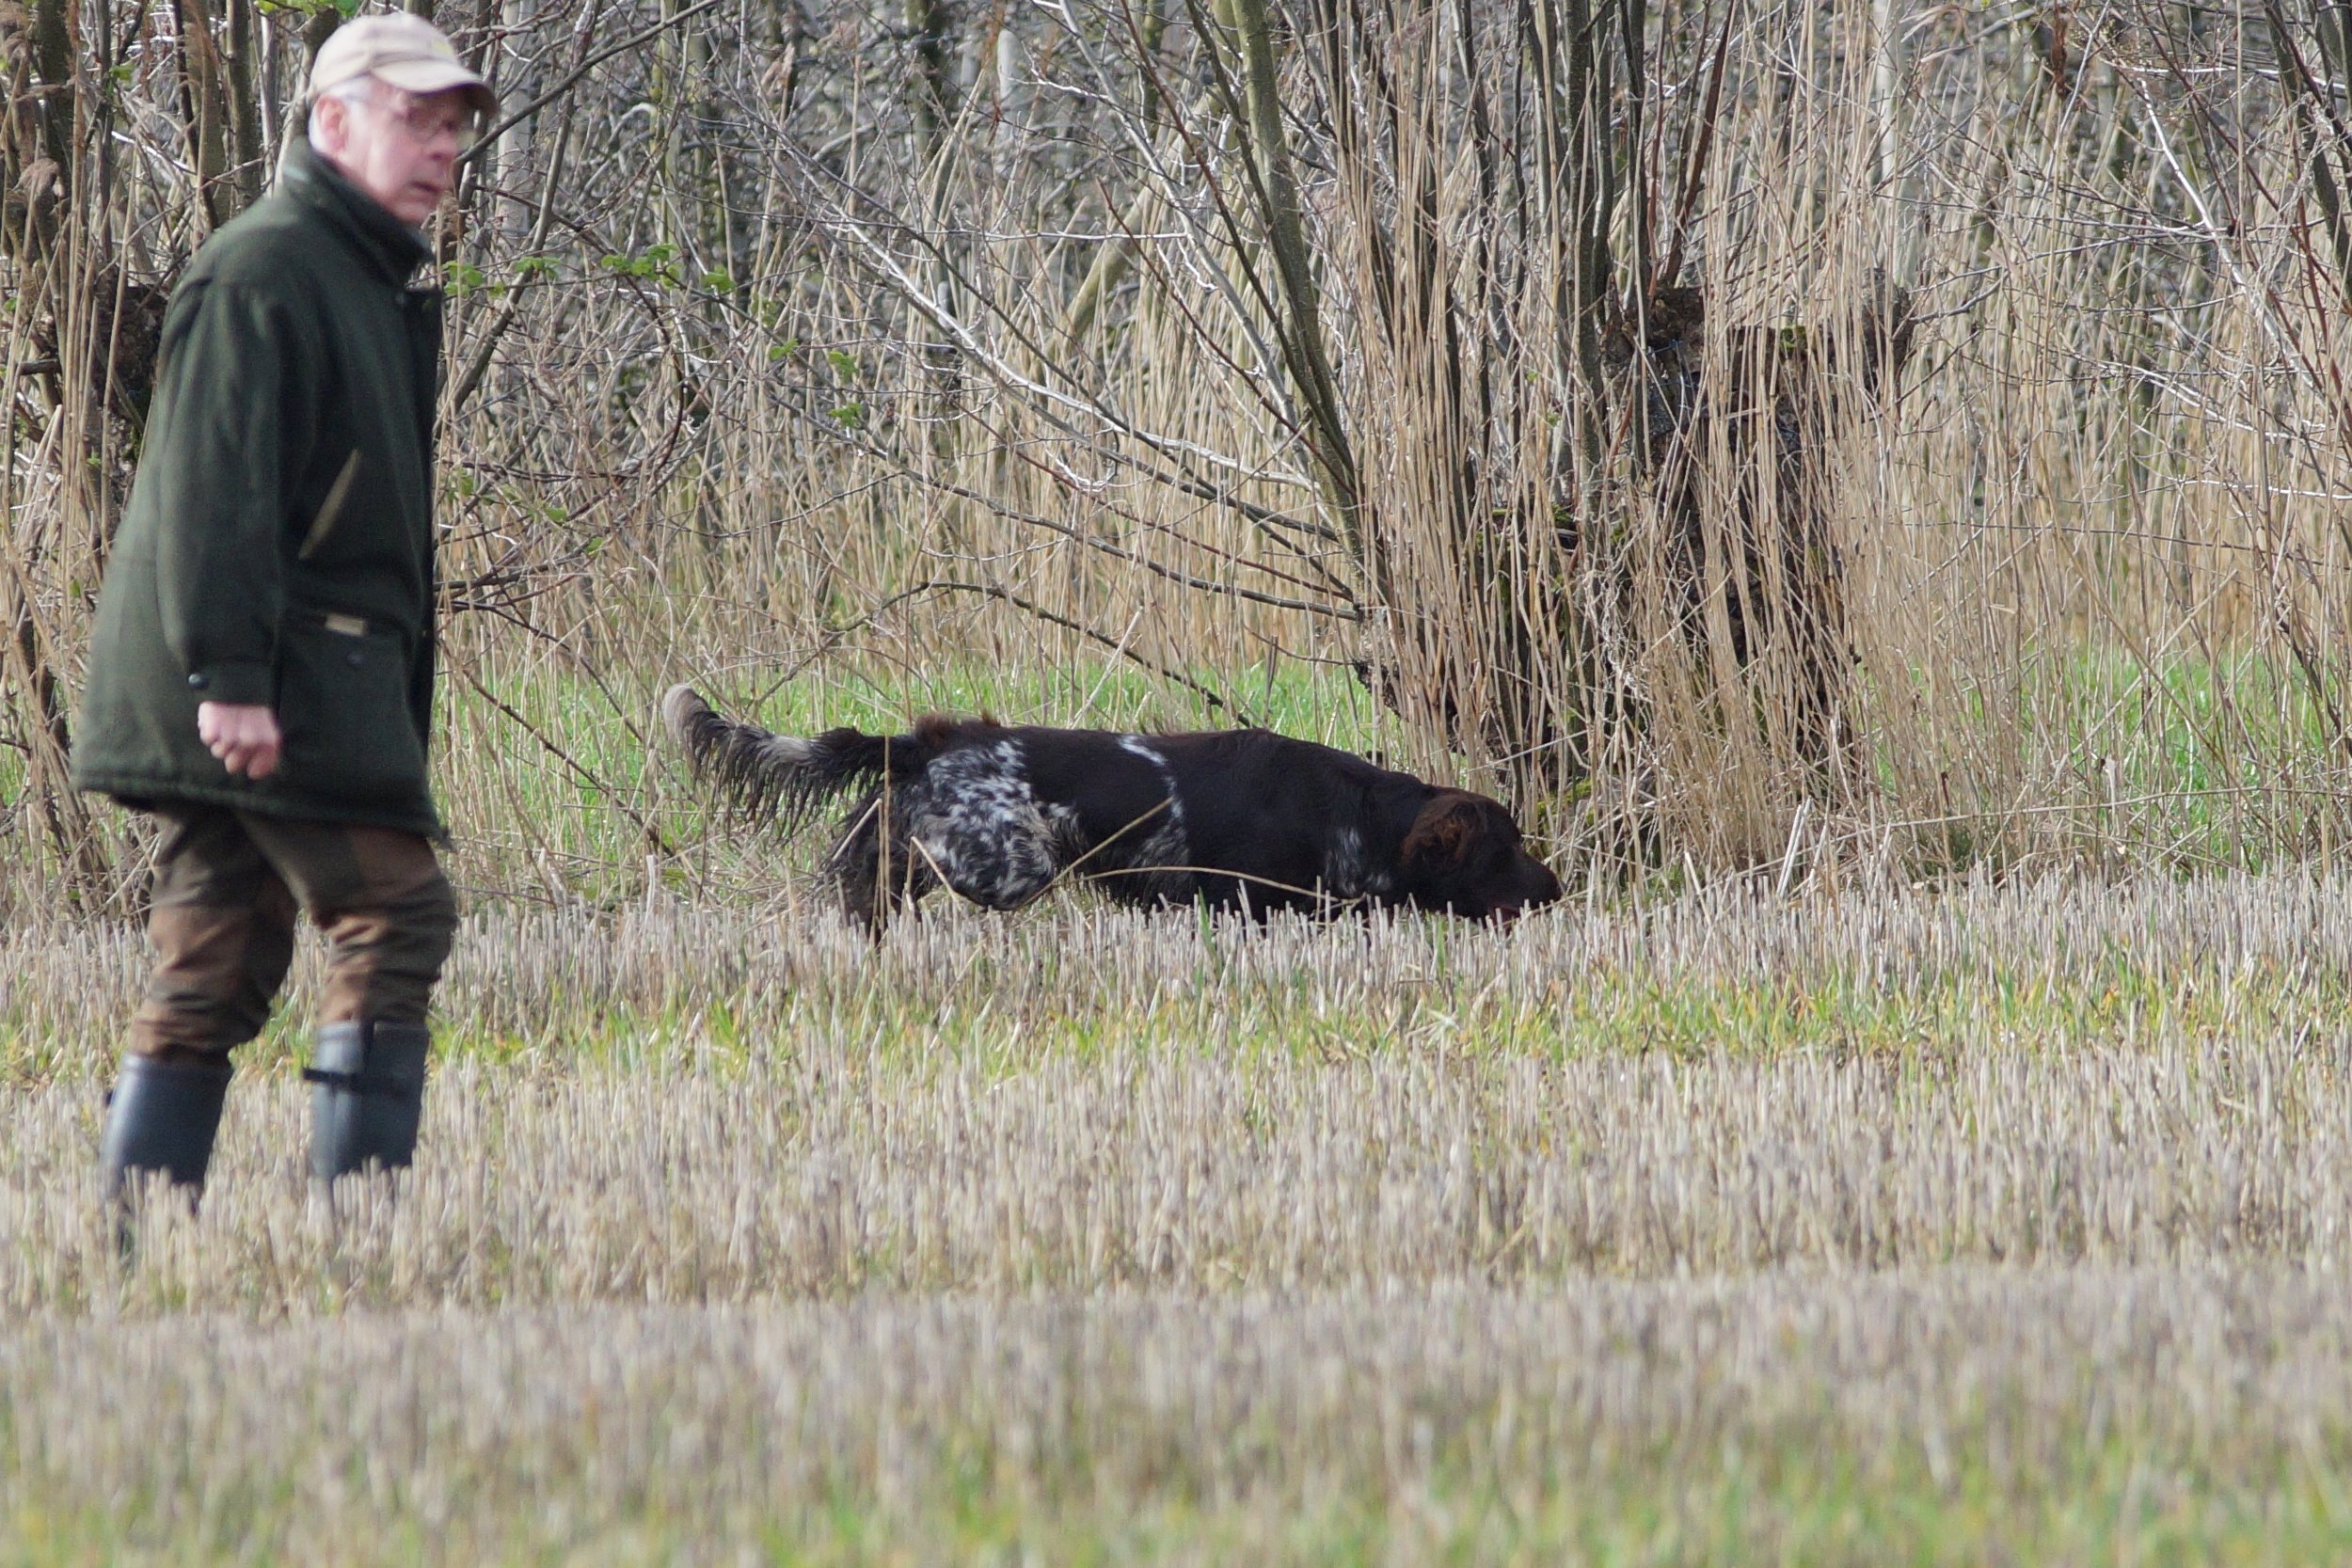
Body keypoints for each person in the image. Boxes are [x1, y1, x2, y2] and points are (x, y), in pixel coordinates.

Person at [72, 13, 496, 1203]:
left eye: (453, 127)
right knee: (396, 910)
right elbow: (212, 491)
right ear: (332, 119)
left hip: (293, 670)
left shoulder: (354, 272)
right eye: (414, 119)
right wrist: (230, 675)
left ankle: (135, 1237)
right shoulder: (265, 268)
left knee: (215, 949)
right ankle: (362, 1229)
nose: (441, 147)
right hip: (274, 678)